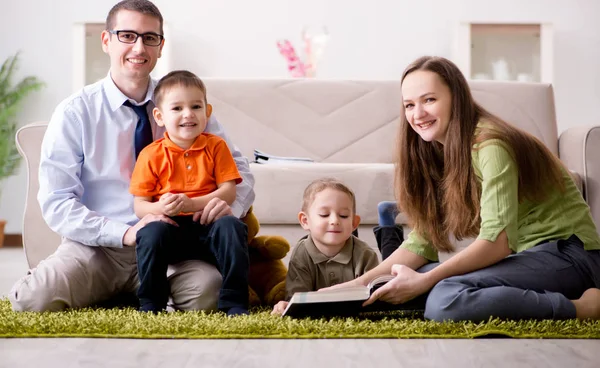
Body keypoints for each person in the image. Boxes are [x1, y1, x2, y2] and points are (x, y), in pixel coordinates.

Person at [9, 0, 255, 312]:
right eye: (127, 36)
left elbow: (240, 174)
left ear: (161, 46)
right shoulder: (76, 111)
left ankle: (135, 294)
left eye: (150, 38)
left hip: (171, 248)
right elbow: (57, 202)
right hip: (98, 248)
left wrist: (226, 208)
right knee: (31, 300)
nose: (139, 48)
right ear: (106, 41)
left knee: (208, 293)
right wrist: (125, 233)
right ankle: (110, 288)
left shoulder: (184, 105)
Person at [327, 56, 600, 322]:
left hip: (571, 257)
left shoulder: (491, 145)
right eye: (409, 105)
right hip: (527, 260)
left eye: (429, 100)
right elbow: (421, 245)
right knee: (390, 286)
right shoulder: (438, 152)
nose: (417, 114)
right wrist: (354, 287)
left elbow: (497, 243)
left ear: (456, 99)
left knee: (444, 298)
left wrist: (425, 281)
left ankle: (582, 308)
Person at [130, 70, 249, 315]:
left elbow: (228, 192)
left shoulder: (216, 146)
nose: (188, 114)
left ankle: (235, 302)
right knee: (150, 232)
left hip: (207, 226)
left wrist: (192, 204)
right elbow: (139, 205)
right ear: (159, 116)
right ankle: (151, 302)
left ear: (207, 112)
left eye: (196, 106)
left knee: (232, 227)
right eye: (177, 108)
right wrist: (160, 209)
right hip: (170, 229)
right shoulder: (150, 155)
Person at [272, 178, 379, 315]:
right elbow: (297, 298)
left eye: (343, 215)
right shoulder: (301, 253)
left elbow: (374, 300)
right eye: (324, 215)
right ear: (305, 221)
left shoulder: (365, 254)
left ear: (354, 223)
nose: (334, 221)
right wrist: (287, 304)